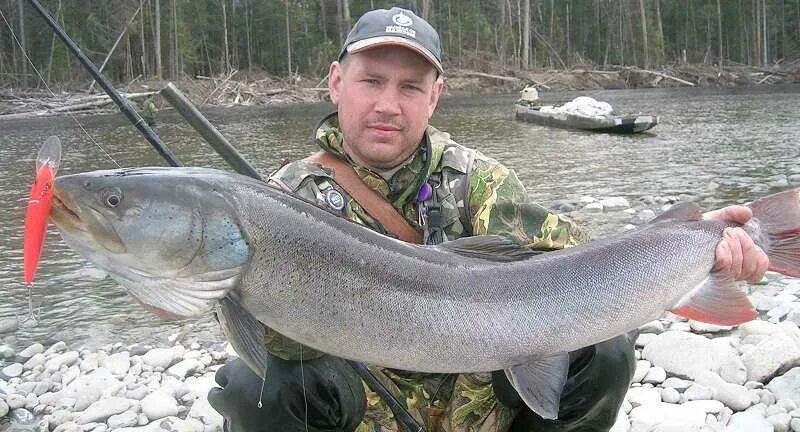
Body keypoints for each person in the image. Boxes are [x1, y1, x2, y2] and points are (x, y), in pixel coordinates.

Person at [207, 7, 769, 432]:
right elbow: (258, 336)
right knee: (247, 384)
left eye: (409, 87)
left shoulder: (483, 181)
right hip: (364, 408)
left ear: (436, 97)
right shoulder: (286, 198)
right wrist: (183, 291)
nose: (387, 104)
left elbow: (581, 269)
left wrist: (697, 244)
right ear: (336, 82)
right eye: (371, 81)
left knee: (606, 350)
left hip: (477, 405)